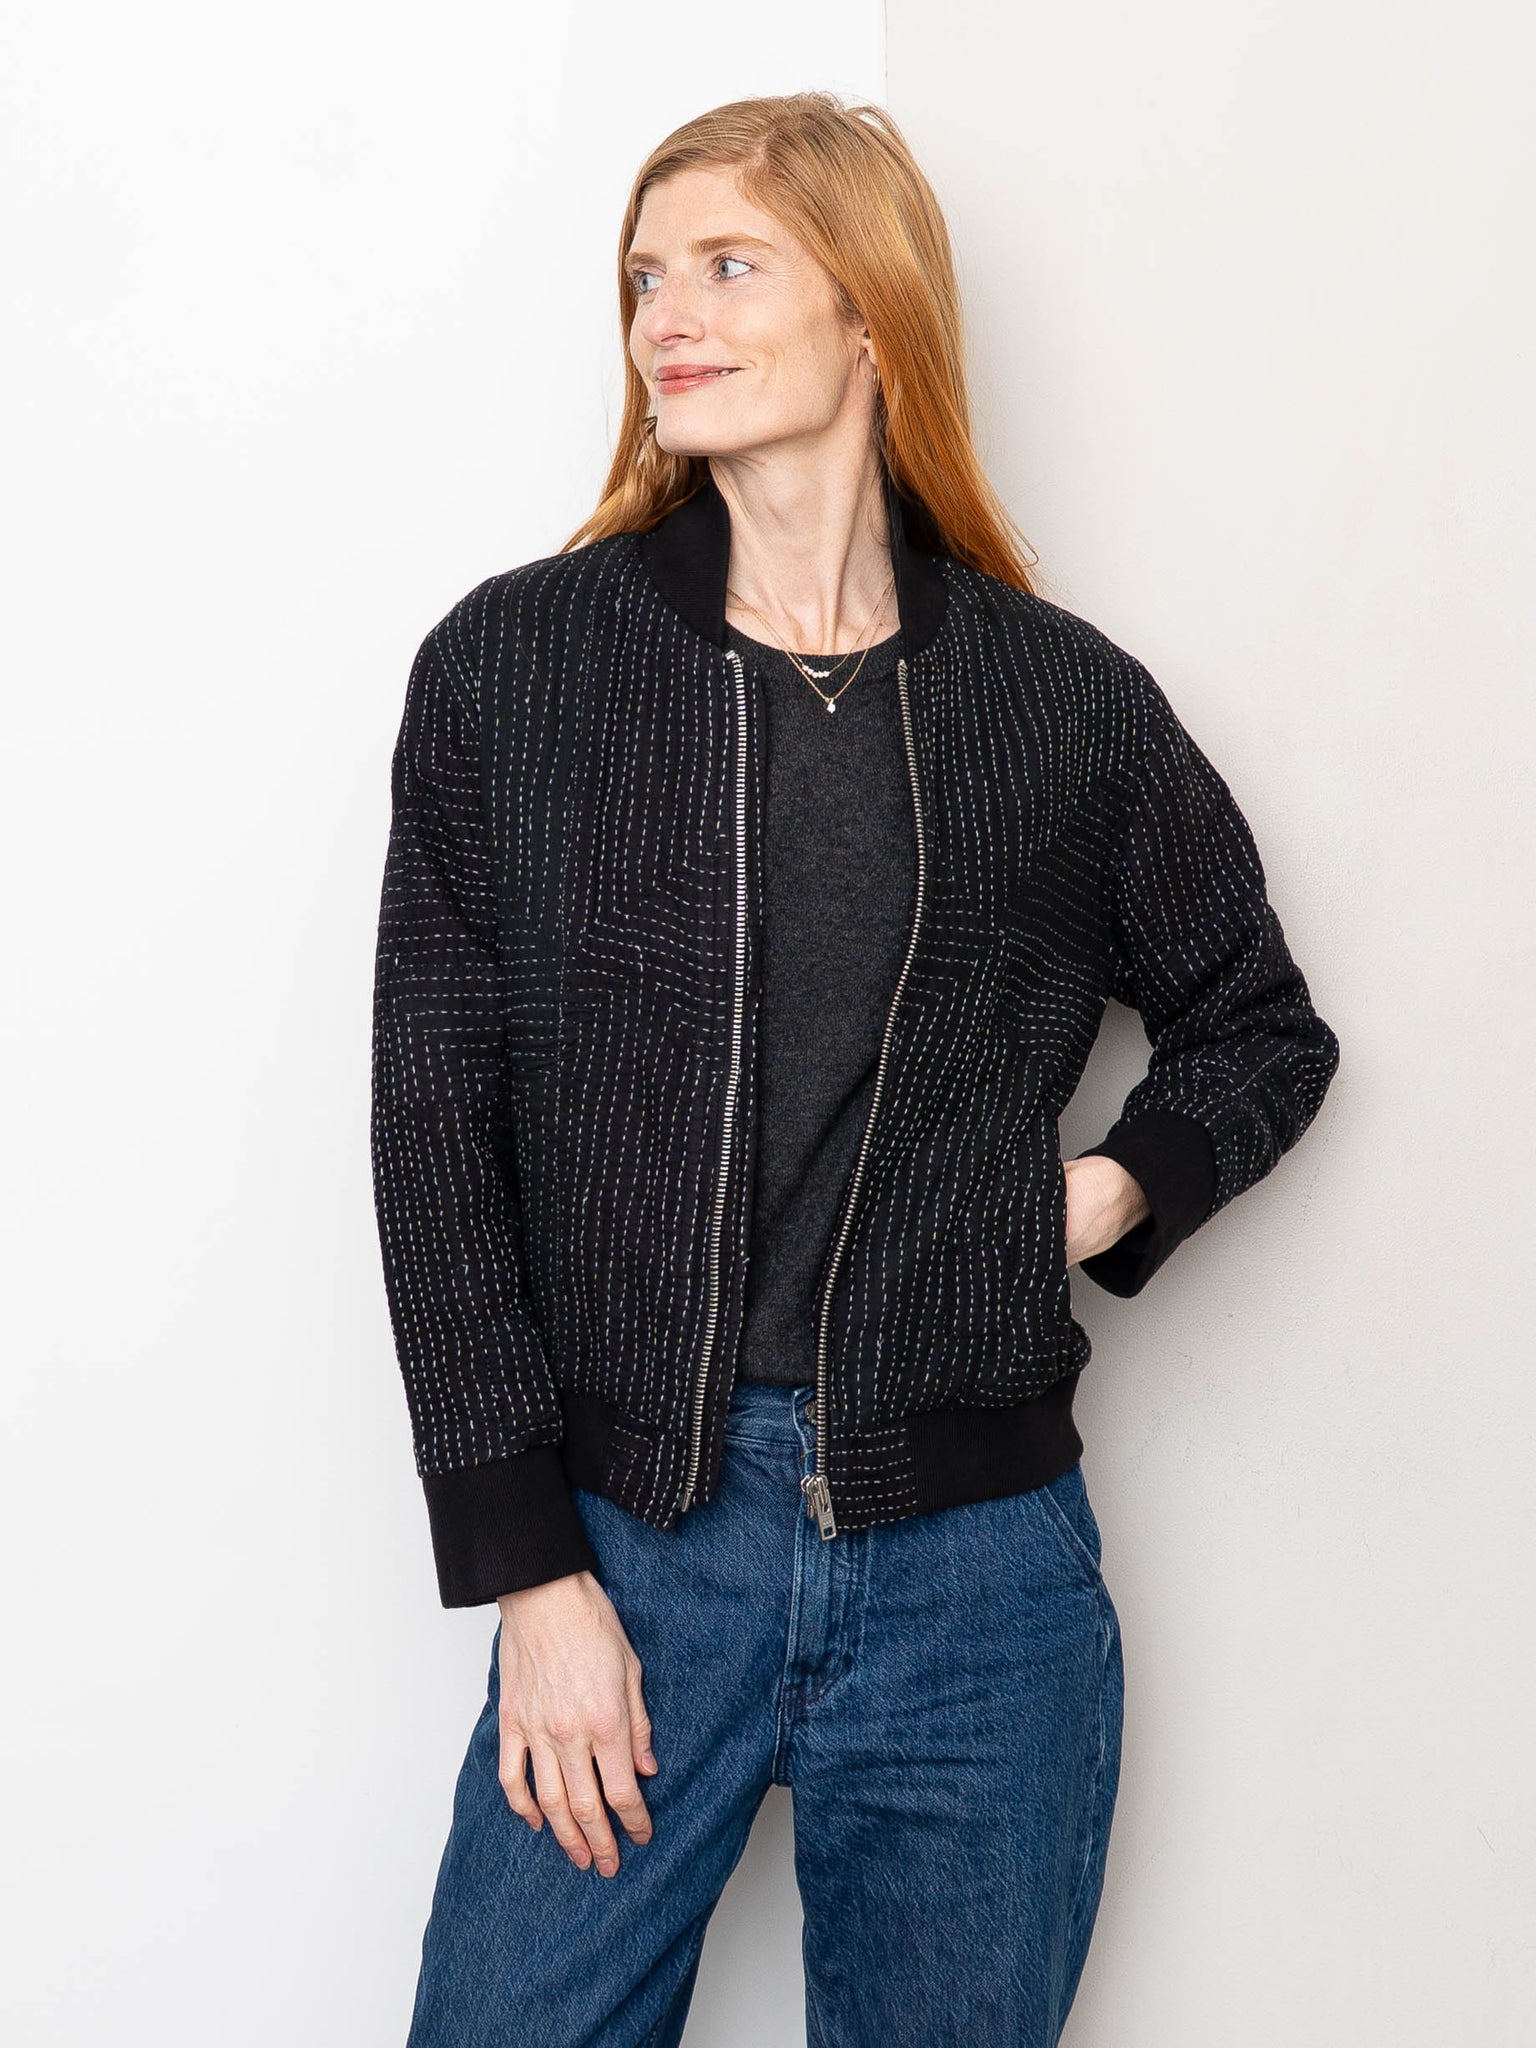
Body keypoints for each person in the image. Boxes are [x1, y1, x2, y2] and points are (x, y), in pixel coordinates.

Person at [370, 91, 1341, 2048]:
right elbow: (433, 1133)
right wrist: (534, 1578)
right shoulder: (517, 671)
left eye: (729, 265)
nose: (667, 317)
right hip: (638, 1537)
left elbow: (1259, 1020)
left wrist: (1095, 1197)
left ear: (872, 316)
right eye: (644, 276)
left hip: (978, 1570)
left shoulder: (1061, 706)